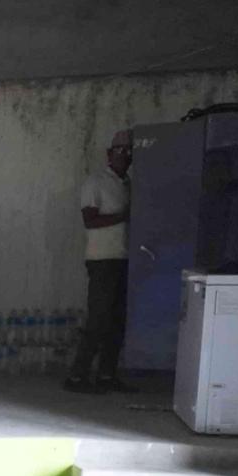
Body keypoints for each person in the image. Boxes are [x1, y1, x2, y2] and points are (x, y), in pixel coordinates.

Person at [66, 128, 133, 393]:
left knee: (118, 321)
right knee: (99, 320)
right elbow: (90, 220)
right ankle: (77, 376)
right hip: (102, 260)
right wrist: (124, 216)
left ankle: (107, 375)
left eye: (129, 153)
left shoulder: (127, 183)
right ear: (109, 153)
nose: (125, 156)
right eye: (120, 151)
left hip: (123, 259)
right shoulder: (95, 182)